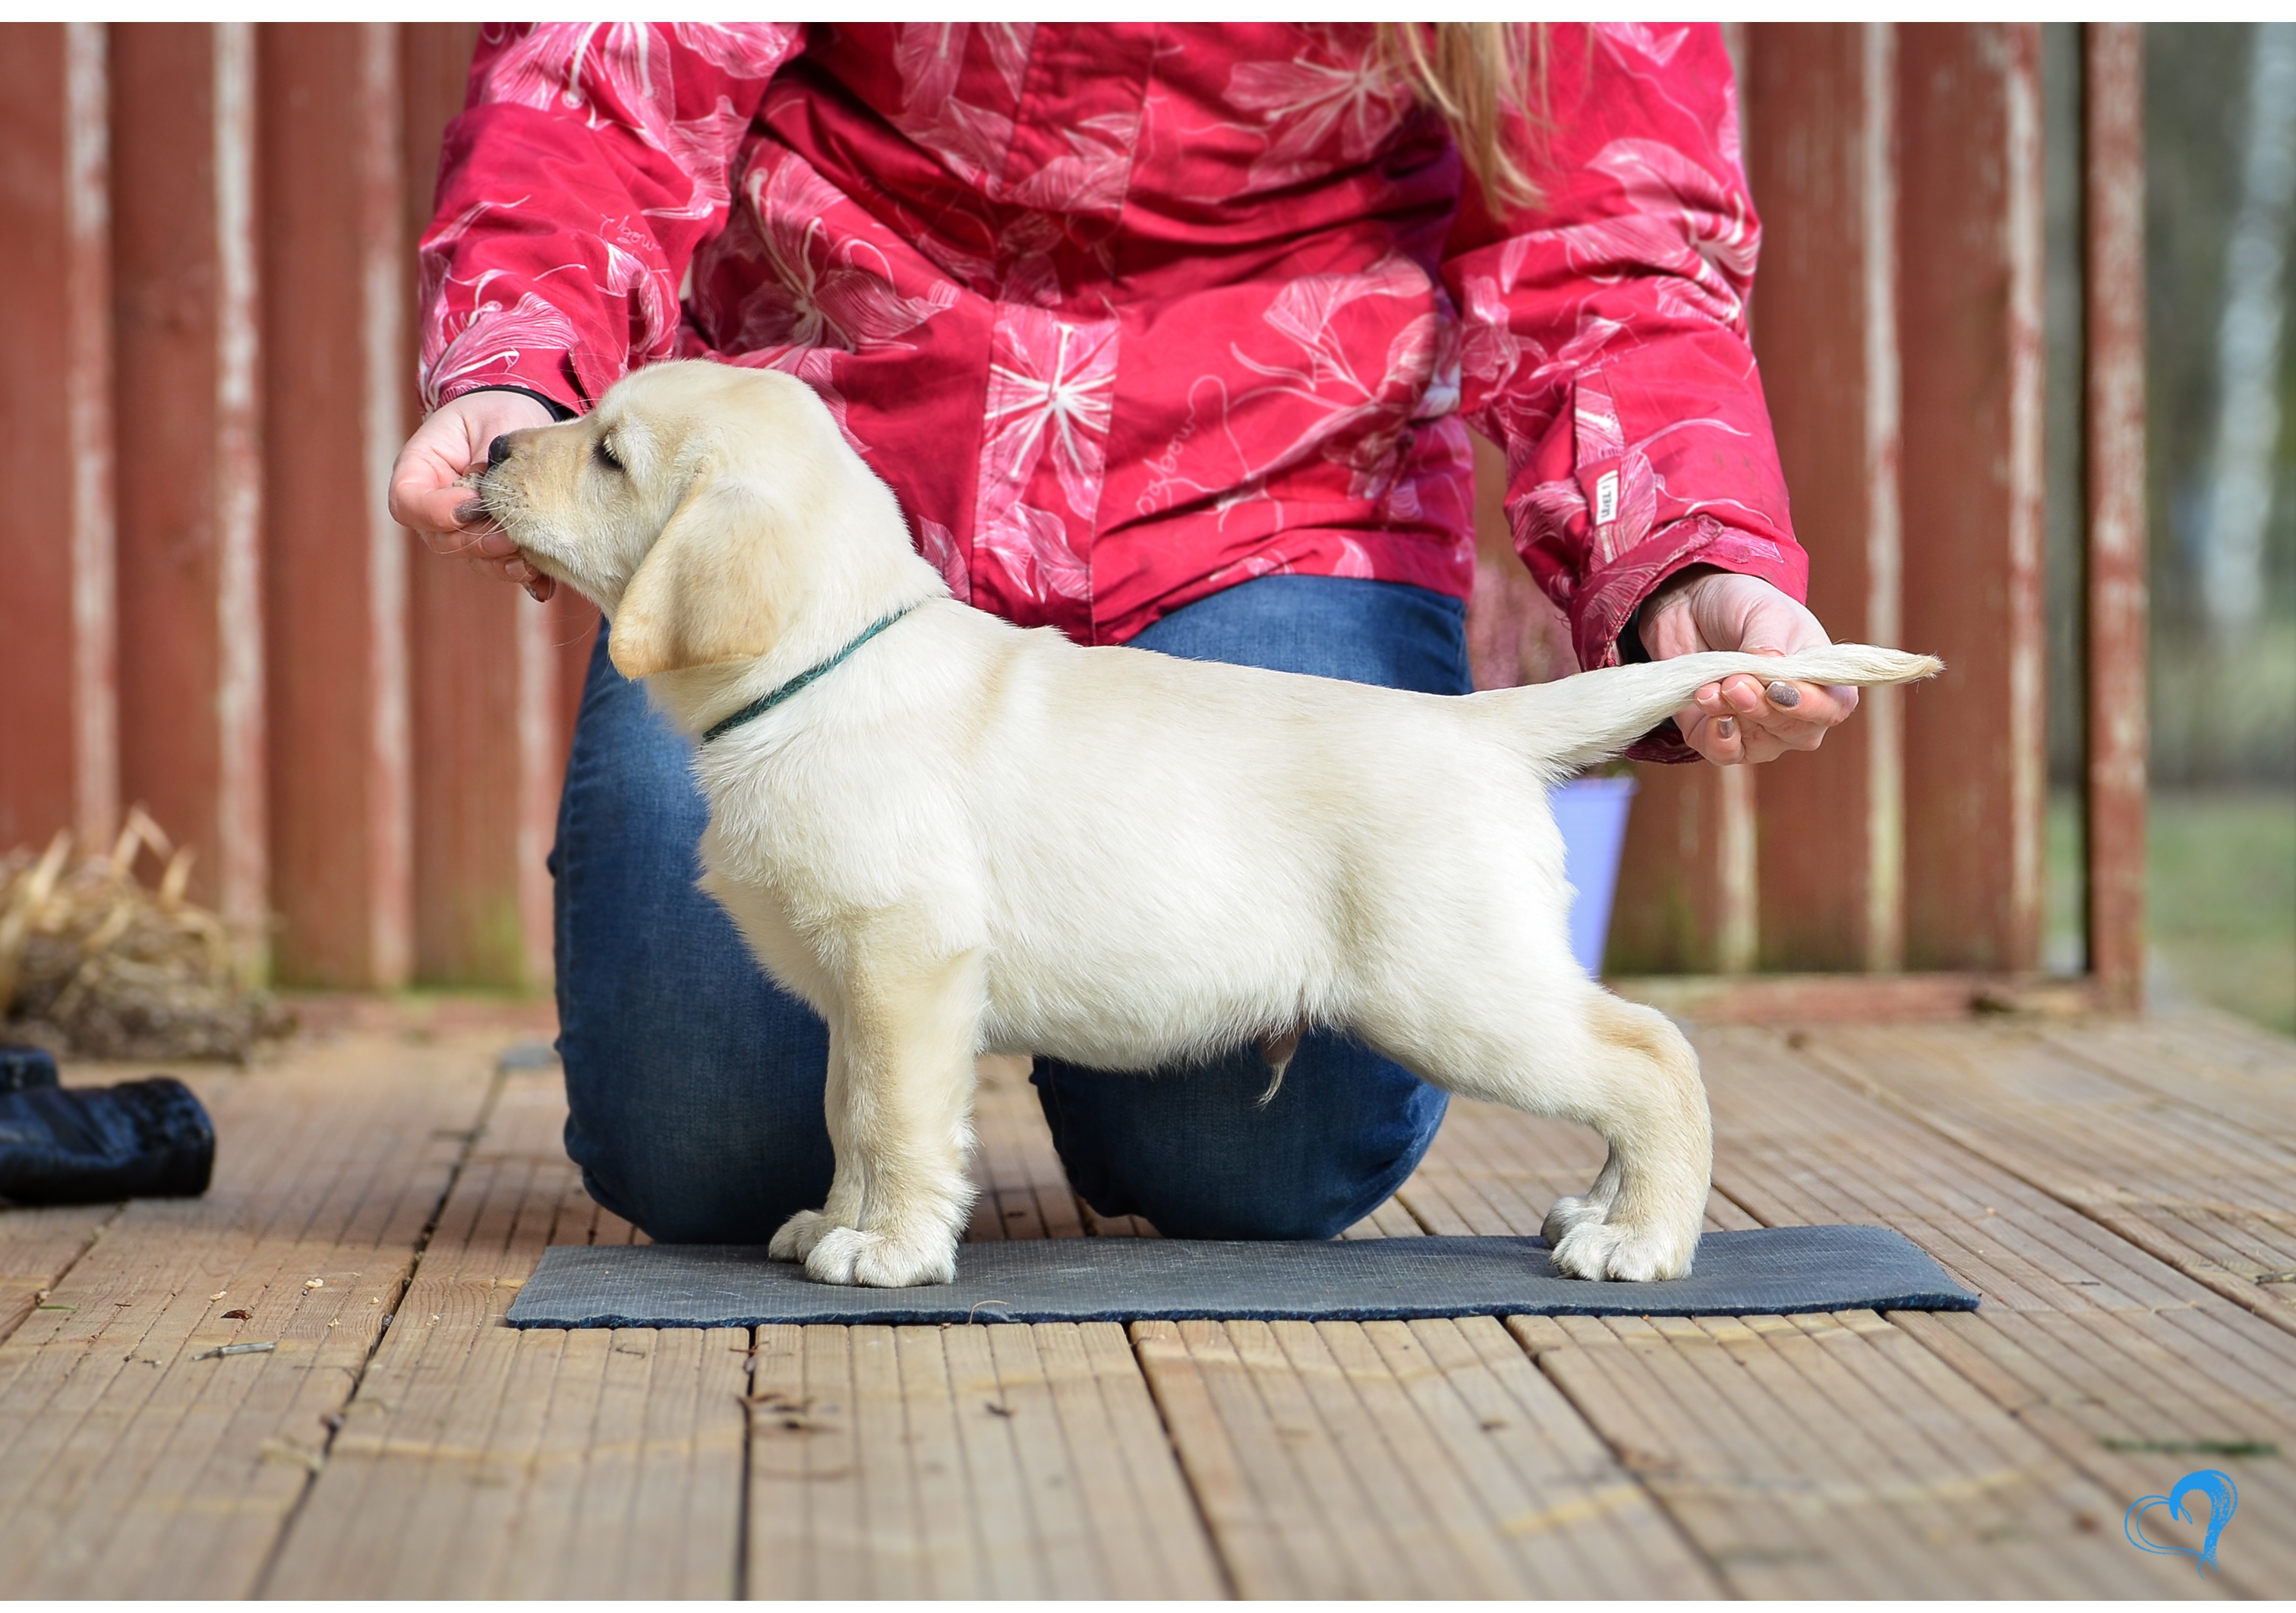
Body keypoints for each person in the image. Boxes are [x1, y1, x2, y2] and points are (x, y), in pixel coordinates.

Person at [388, 23, 1857, 1245]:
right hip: (838, 509)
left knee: (1259, 1160)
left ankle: (1056, 1055)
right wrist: (519, 363)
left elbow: (1608, 223)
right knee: (700, 1143)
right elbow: (602, 71)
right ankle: (989, 1045)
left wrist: (1687, 540)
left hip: (1279, 487)